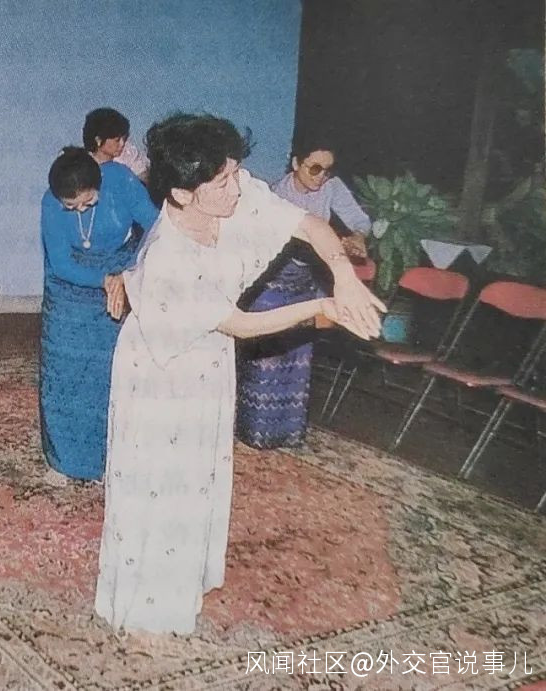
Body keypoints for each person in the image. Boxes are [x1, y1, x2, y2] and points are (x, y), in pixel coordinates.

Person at [95, 113, 383, 635]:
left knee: (199, 472)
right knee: (162, 481)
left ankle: (185, 576)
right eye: (223, 181)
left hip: (208, 359)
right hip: (162, 371)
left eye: (233, 173)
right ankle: (147, 605)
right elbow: (240, 324)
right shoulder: (168, 258)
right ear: (182, 193)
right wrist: (322, 306)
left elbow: (309, 225)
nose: (237, 187)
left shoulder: (230, 189)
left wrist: (343, 275)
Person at [236, 141, 372, 449]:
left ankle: (288, 432)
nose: (322, 177)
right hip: (272, 280)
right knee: (267, 356)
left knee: (299, 357)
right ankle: (256, 433)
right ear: (297, 163)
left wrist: (357, 237)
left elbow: (360, 220)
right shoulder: (276, 195)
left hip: (307, 280)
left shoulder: (331, 187)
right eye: (315, 169)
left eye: (327, 170)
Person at [40, 147, 157, 481]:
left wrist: (130, 273)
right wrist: (103, 280)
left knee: (109, 372)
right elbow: (60, 263)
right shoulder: (50, 203)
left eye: (88, 202)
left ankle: (107, 459)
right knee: (64, 373)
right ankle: (63, 461)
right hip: (70, 285)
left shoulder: (121, 181)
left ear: (99, 185)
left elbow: (157, 228)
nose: (80, 210)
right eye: (71, 206)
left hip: (120, 271)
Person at [83, 107, 150, 183]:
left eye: (124, 139)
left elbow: (143, 179)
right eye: (117, 140)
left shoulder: (129, 154)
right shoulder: (85, 165)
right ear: (98, 140)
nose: (122, 144)